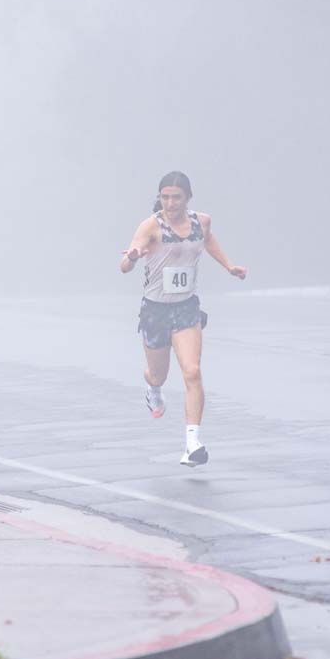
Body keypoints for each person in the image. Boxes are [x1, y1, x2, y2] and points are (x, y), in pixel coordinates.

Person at [120, 171, 247, 467]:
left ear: (188, 198)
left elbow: (209, 240)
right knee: (158, 374)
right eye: (165, 197)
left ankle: (193, 444)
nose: (170, 203)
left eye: (176, 197)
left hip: (186, 308)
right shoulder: (150, 226)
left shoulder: (201, 222)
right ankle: (152, 389)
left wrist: (229, 266)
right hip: (155, 310)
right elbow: (124, 266)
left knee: (192, 372)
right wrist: (134, 256)